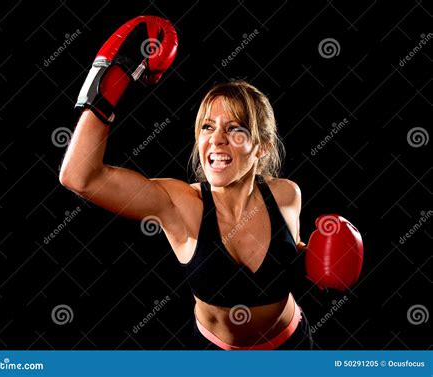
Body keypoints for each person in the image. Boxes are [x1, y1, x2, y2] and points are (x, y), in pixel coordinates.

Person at [60, 16, 363, 350]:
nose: (216, 140)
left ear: (260, 146)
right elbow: (80, 177)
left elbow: (290, 252)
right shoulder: (179, 204)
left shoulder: (286, 194)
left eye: (234, 128)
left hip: (292, 345)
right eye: (207, 127)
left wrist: (317, 260)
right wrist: (109, 80)